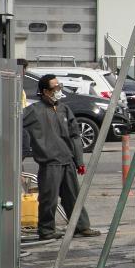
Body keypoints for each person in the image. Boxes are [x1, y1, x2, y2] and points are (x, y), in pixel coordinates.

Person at [22, 74, 100, 240]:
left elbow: (75, 136)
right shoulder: (34, 111)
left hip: (68, 161)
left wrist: (79, 160)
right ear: (45, 91)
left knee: (73, 197)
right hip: (50, 163)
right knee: (49, 199)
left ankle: (81, 226)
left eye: (59, 86)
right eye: (54, 88)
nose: (58, 90)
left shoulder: (64, 109)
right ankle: (47, 230)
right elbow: (14, 122)